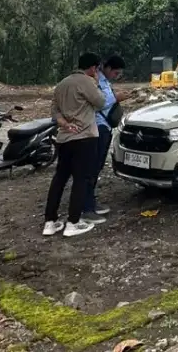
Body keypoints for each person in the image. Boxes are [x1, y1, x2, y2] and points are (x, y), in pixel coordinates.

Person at [43, 52, 107, 237]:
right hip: (85, 137)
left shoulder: (62, 84)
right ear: (93, 68)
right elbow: (101, 102)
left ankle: (50, 221)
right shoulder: (86, 81)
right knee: (81, 179)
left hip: (64, 138)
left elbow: (54, 111)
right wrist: (95, 82)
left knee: (59, 179)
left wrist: (64, 123)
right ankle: (73, 222)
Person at [82, 55, 131, 224]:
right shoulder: (93, 81)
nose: (116, 76)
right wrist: (116, 98)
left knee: (97, 168)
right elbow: (98, 103)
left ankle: (91, 203)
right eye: (116, 73)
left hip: (105, 127)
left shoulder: (105, 82)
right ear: (107, 68)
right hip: (96, 127)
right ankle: (86, 208)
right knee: (91, 169)